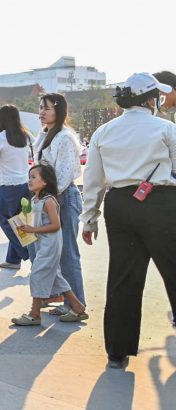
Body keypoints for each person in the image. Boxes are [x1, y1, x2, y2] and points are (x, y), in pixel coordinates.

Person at [81, 73, 176, 369]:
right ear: (150, 99)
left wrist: (89, 219)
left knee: (123, 278)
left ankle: (117, 353)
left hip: (120, 204)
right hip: (160, 203)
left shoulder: (104, 131)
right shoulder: (165, 127)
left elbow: (93, 179)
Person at [11, 164, 88, 327]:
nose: (29, 180)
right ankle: (78, 305)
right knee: (55, 276)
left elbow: (56, 225)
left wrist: (34, 229)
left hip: (50, 244)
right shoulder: (34, 200)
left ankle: (34, 313)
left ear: (45, 182)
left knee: (37, 274)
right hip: (41, 243)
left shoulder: (49, 201)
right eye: (29, 177)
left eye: (34, 177)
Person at [32, 93, 85, 313]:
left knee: (67, 253)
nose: (42, 112)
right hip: (48, 198)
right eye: (41, 108)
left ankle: (75, 304)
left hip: (62, 197)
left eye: (47, 108)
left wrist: (46, 200)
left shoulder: (65, 137)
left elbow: (63, 177)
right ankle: (53, 295)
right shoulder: (44, 135)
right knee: (44, 251)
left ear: (59, 110)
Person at [0, 105, 34, 270]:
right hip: (25, 184)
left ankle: (27, 251)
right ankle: (13, 259)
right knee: (19, 221)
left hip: (9, 186)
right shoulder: (26, 136)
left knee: (6, 221)